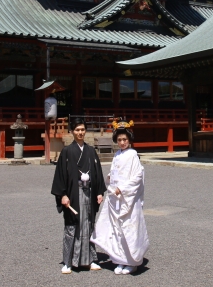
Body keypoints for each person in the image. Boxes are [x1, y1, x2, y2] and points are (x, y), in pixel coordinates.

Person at [91, 124, 149, 275]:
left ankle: (132, 262)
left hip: (128, 198)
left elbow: (137, 177)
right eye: (119, 139)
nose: (122, 142)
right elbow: (113, 172)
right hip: (115, 198)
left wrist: (122, 189)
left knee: (128, 228)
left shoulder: (133, 155)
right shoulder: (117, 154)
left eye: (125, 139)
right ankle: (119, 259)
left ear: (129, 140)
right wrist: (110, 180)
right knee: (116, 229)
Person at [51, 117, 106, 274]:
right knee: (72, 226)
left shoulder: (91, 151)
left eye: (82, 129)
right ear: (72, 132)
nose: (80, 132)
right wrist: (62, 195)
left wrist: (100, 191)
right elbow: (60, 175)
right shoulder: (67, 152)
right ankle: (68, 261)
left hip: (89, 193)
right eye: (77, 130)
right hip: (73, 194)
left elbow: (98, 173)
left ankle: (91, 259)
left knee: (88, 225)